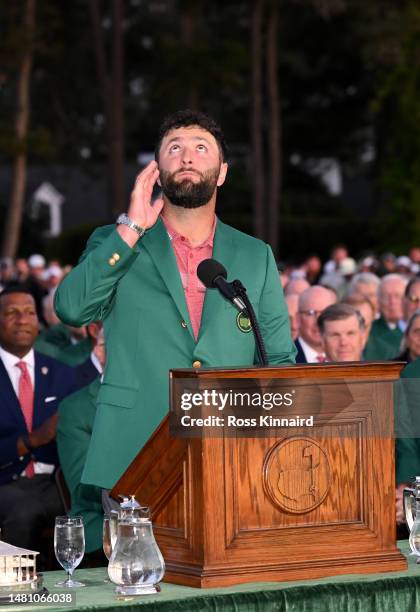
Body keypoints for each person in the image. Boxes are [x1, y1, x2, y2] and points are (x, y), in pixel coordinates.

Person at [54, 109, 296, 490]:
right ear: (155, 169)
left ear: (222, 172)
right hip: (133, 452)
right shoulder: (115, 241)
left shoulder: (255, 255)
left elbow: (278, 360)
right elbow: (71, 308)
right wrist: (131, 229)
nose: (186, 156)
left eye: (201, 148)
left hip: (229, 459)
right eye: (174, 148)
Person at [0, 287, 77, 552]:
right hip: (6, 481)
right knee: (25, 511)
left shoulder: (63, 374)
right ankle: (13, 590)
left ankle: (76, 588)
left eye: (30, 312)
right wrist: (31, 440)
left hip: (55, 481)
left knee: (86, 512)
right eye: (11, 313)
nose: (22, 319)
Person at [57, 330, 106, 553]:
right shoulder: (76, 408)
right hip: (102, 519)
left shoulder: (168, 398)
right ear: (101, 351)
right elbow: (83, 486)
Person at [364, 274, 408, 360]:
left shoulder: (415, 327)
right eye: (386, 296)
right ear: (378, 301)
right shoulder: (369, 332)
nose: (392, 302)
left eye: (397, 296)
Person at [295, 286, 336, 363]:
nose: (318, 321)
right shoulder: (286, 359)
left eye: (325, 313)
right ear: (298, 318)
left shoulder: (344, 355)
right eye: (311, 313)